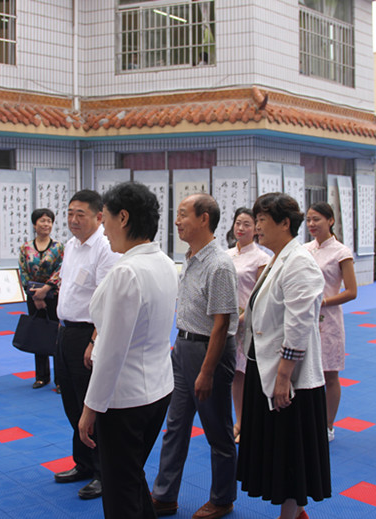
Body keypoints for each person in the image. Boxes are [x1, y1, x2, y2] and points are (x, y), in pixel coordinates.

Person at [78, 182, 177, 519]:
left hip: (126, 399)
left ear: (123, 217)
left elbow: (111, 352)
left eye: (104, 219)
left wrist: (91, 408)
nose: (103, 230)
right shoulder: (162, 261)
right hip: (158, 389)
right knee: (132, 478)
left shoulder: (126, 272)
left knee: (120, 489)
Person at [237, 192, 331, 519]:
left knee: (290, 449)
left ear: (285, 224)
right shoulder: (278, 258)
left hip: (289, 376)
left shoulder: (299, 262)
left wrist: (283, 377)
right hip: (266, 365)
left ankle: (289, 515)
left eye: (262, 220)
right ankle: (296, 511)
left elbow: (299, 323)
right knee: (280, 446)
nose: (257, 227)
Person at [152, 194, 239, 519]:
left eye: (183, 214)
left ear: (204, 219)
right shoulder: (190, 256)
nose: (177, 222)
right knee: (175, 425)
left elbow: (222, 324)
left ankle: (222, 498)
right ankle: (164, 495)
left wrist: (206, 371)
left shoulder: (219, 264)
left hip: (209, 352)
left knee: (217, 429)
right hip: (184, 348)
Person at [53, 190, 121, 500]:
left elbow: (108, 301)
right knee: (70, 402)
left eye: (80, 214)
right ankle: (82, 463)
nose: (72, 220)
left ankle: (103, 473)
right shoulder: (70, 245)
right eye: (69, 213)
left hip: (87, 335)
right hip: (65, 332)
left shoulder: (105, 249)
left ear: (98, 216)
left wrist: (95, 340)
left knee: (90, 405)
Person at [304, 202, 357, 441]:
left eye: (317, 219)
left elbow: (352, 291)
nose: (312, 224)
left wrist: (323, 302)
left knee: (330, 374)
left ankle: (327, 425)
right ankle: (307, 420)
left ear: (331, 220)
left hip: (329, 320)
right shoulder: (304, 250)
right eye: (309, 220)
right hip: (304, 317)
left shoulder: (341, 252)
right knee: (304, 370)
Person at [226, 208, 269, 445]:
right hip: (228, 323)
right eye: (238, 223)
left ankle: (251, 423)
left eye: (247, 224)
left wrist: (245, 316)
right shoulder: (226, 255)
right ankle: (239, 421)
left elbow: (259, 293)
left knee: (250, 372)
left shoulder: (261, 258)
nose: (241, 228)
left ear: (255, 229)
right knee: (235, 375)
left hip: (249, 324)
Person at [18, 208, 64, 390]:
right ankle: (41, 377)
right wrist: (35, 295)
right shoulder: (25, 248)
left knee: (56, 336)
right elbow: (23, 272)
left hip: (53, 295)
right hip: (33, 296)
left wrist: (46, 289)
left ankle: (60, 379)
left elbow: (62, 269)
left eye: (49, 221)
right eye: (42, 221)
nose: (46, 224)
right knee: (38, 332)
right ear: (35, 224)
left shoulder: (58, 247)